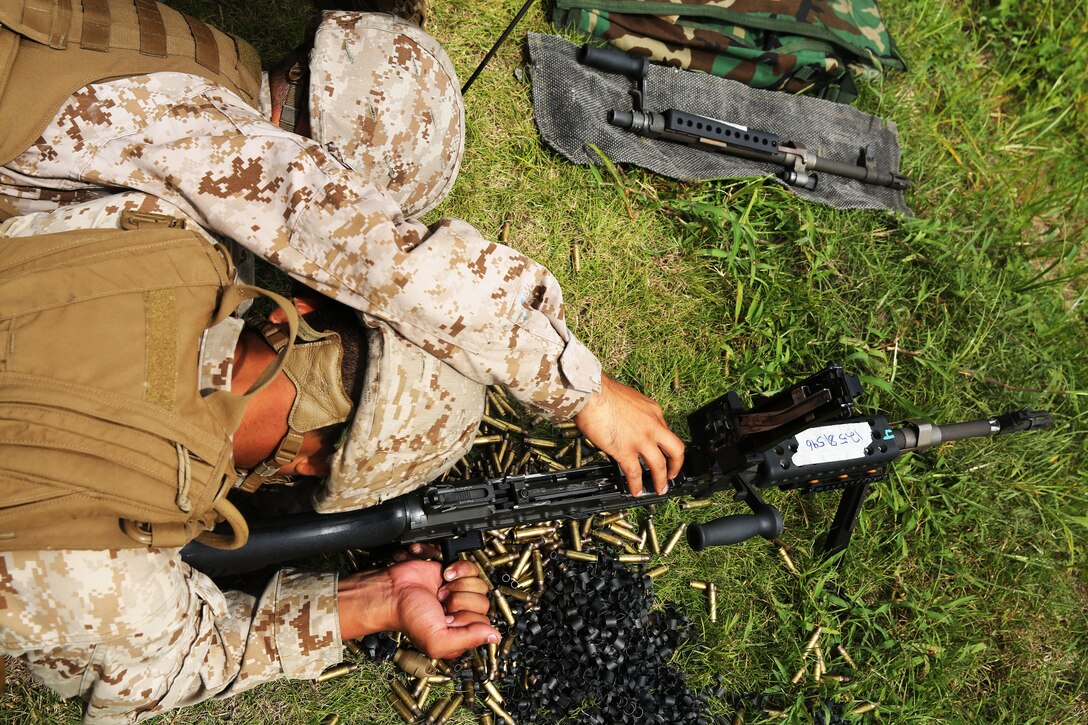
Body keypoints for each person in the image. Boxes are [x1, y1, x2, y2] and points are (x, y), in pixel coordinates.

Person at [0, 1, 685, 721]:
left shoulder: (147, 228)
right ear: (308, 465)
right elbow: (176, 664)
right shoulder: (107, 575)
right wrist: (578, 386)